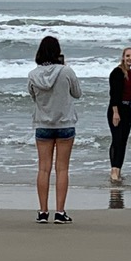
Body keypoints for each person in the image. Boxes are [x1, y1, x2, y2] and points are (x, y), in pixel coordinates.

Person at [28, 36, 82, 223]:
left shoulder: (33, 74)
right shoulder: (66, 71)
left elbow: (33, 96)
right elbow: (77, 93)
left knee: (43, 169)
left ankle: (43, 212)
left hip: (43, 124)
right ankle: (60, 212)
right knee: (62, 169)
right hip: (65, 123)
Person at [107, 47, 131, 181]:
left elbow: (129, 91)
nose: (130, 58)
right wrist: (115, 113)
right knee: (117, 139)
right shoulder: (117, 72)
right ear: (123, 57)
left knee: (124, 141)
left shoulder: (130, 73)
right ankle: (113, 170)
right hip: (116, 109)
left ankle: (119, 170)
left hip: (127, 109)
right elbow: (114, 94)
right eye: (128, 56)